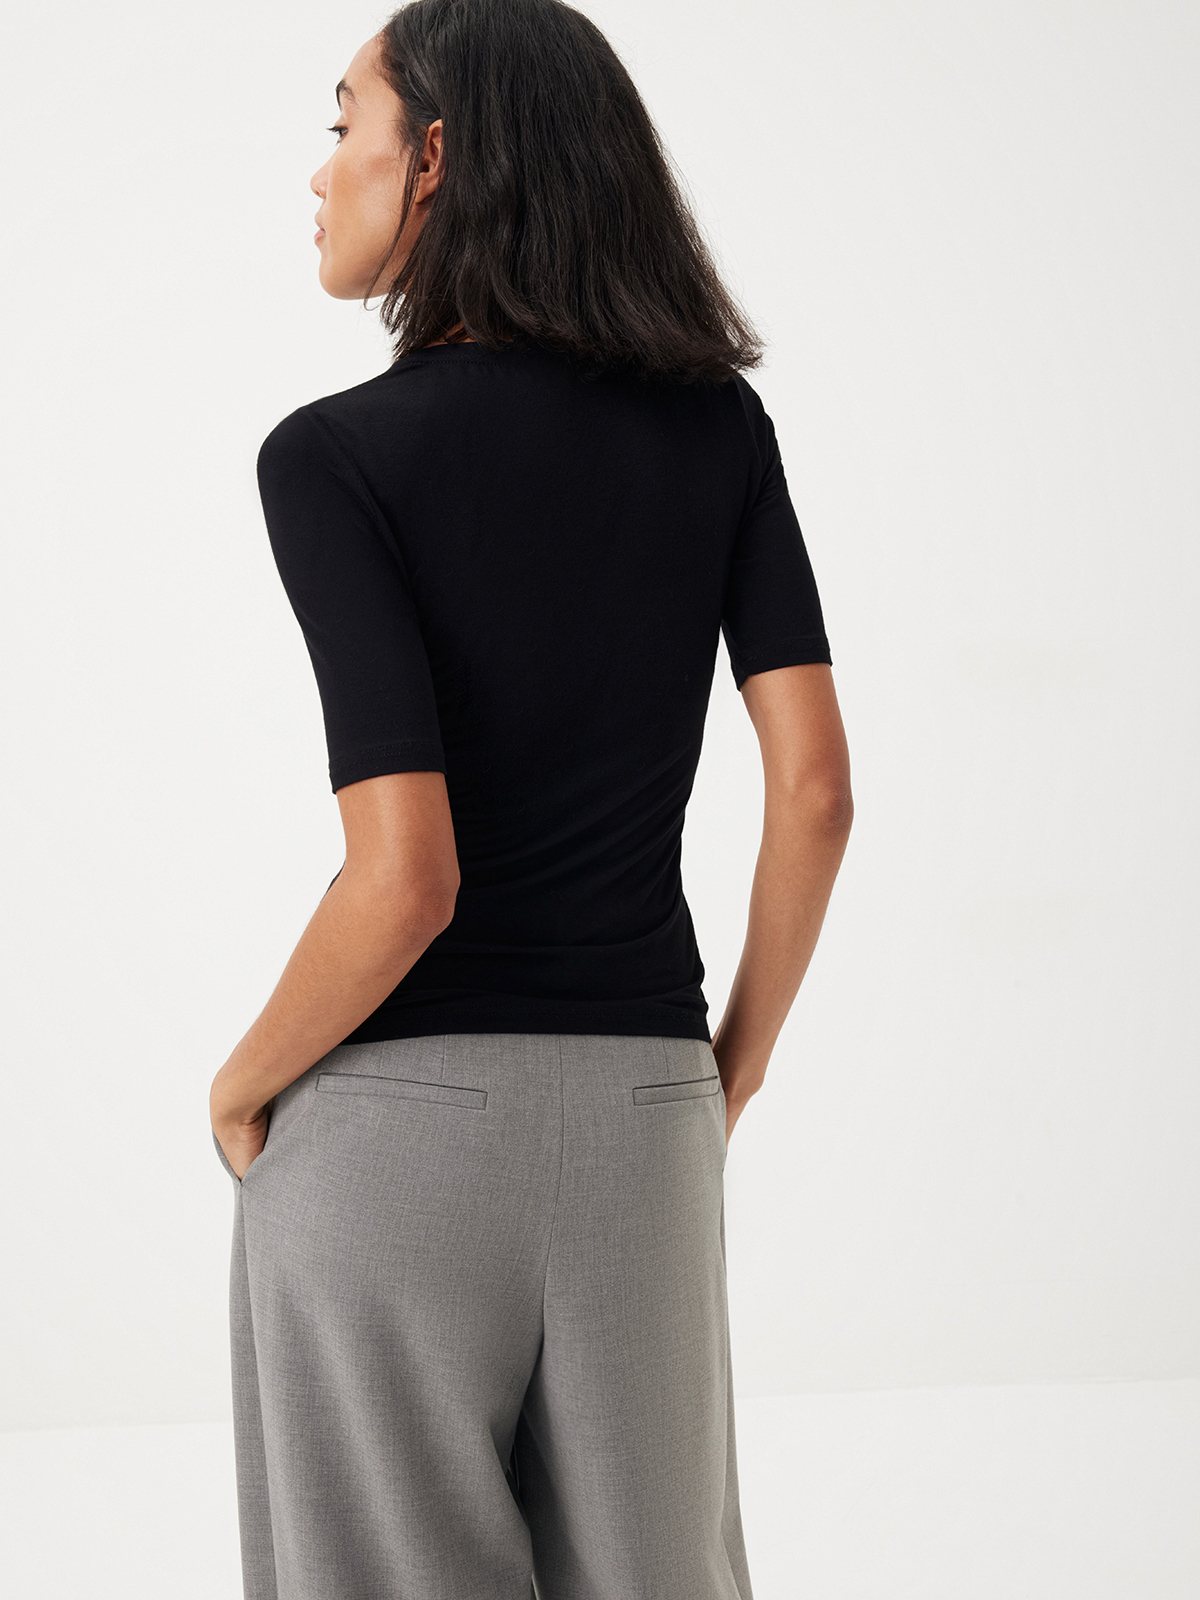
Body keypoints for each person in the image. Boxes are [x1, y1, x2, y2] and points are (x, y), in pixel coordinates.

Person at [209, 0, 853, 1595]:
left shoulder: (335, 458)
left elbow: (404, 878)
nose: (320, 172)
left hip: (392, 1143)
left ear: (431, 159)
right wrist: (726, 1073)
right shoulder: (720, 432)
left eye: (343, 124)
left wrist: (241, 1081)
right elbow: (816, 791)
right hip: (646, 1116)